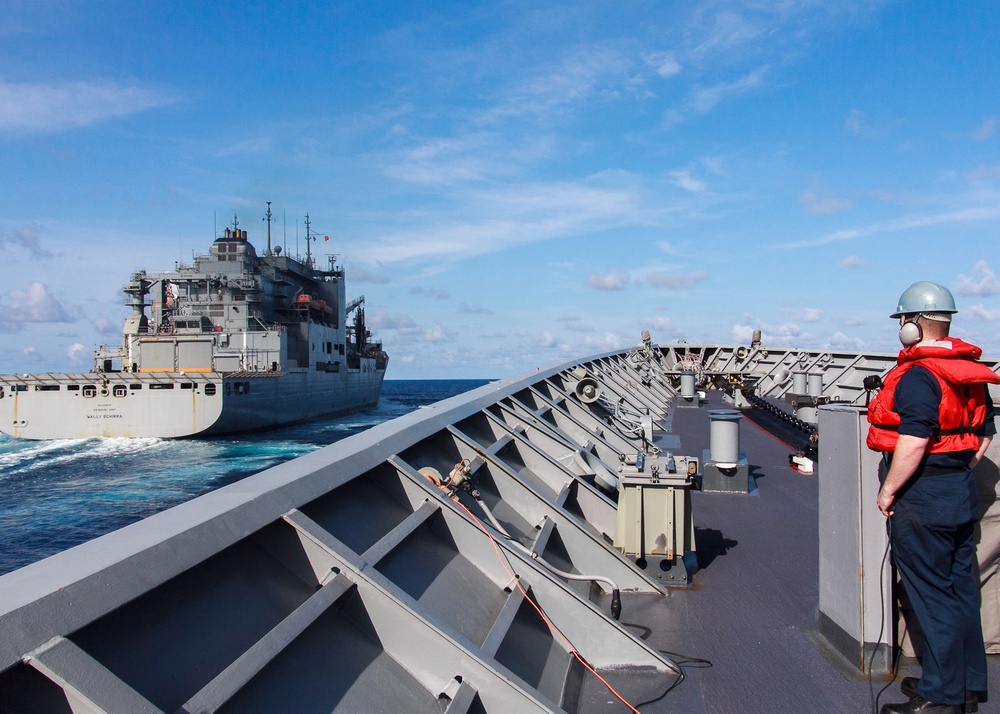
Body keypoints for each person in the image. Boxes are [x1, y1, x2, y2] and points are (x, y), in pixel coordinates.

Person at [868, 281, 999, 714]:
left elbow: (914, 439)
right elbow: (981, 439)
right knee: (962, 593)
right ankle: (965, 687)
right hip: (959, 490)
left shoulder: (920, 375)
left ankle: (942, 699)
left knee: (933, 595)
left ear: (910, 324)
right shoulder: (967, 372)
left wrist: (889, 491)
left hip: (923, 496)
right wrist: (954, 471)